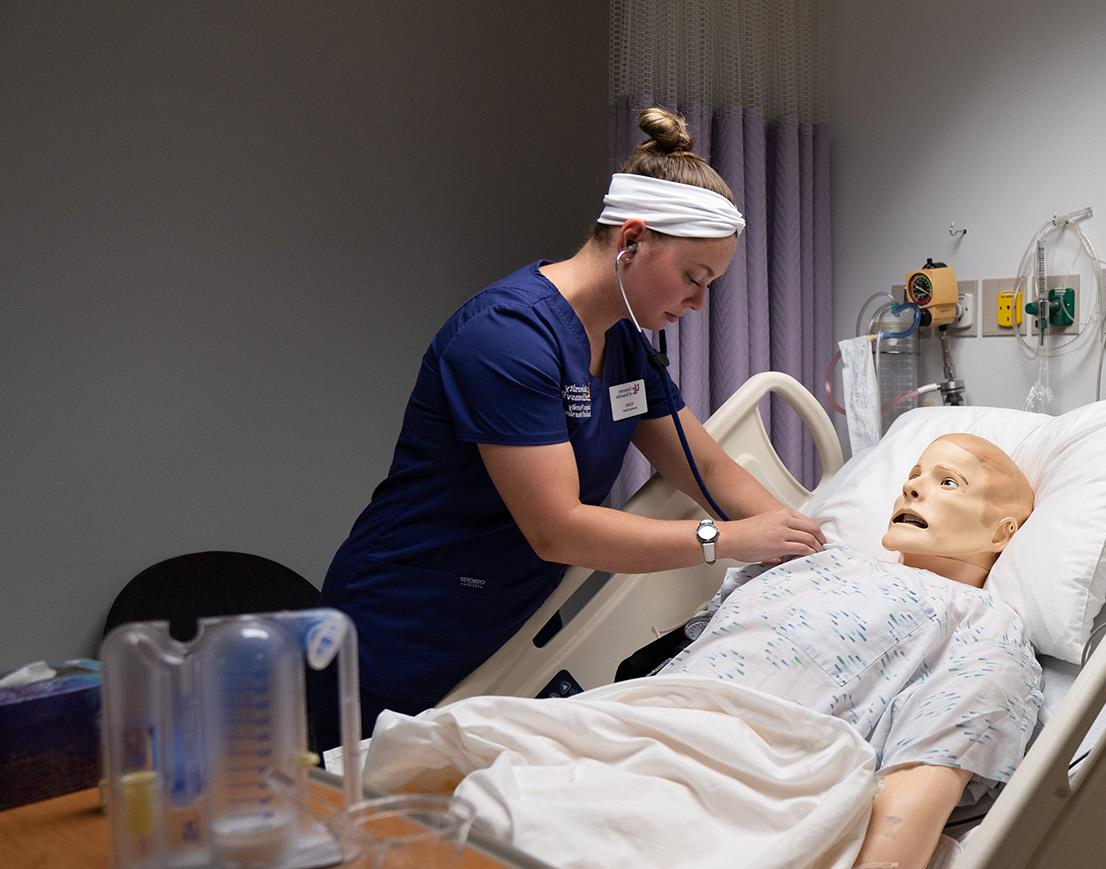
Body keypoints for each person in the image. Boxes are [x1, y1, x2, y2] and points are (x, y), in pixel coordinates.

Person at [320, 108, 823, 736]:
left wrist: (806, 545)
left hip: (512, 615)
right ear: (631, 240)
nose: (698, 302)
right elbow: (558, 529)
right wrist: (727, 540)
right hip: (405, 622)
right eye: (693, 278)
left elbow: (709, 464)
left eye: (711, 286)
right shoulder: (507, 337)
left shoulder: (623, 343)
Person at [658, 433, 1044, 869]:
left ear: (1003, 534)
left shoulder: (985, 629)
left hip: (734, 783)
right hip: (635, 725)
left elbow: (920, 787)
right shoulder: (804, 561)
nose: (913, 485)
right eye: (914, 474)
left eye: (948, 482)